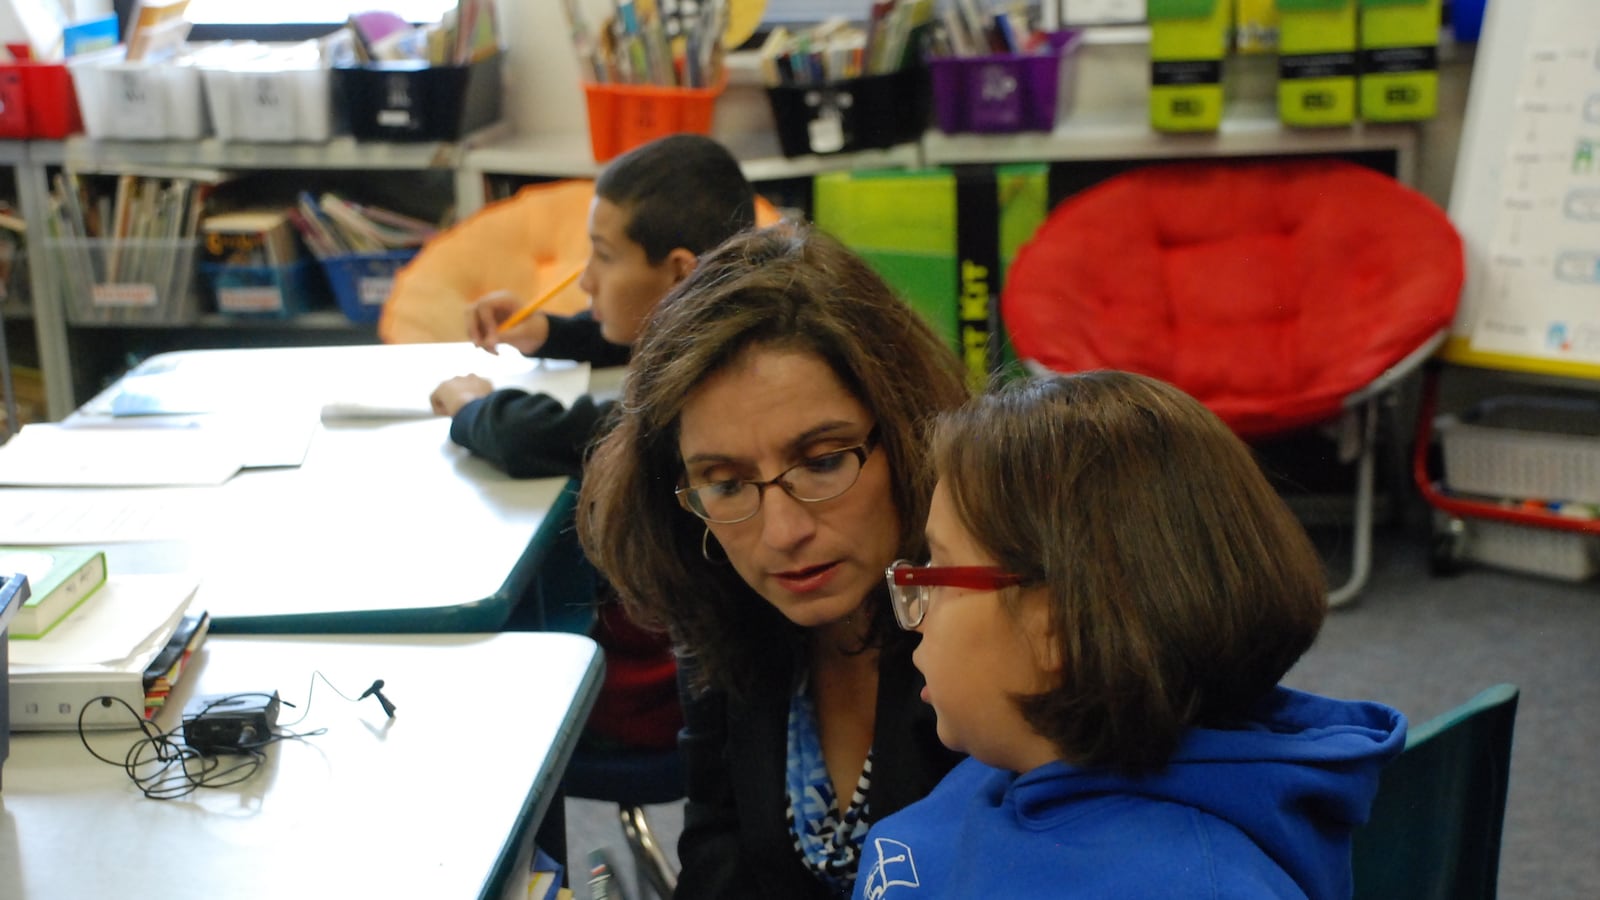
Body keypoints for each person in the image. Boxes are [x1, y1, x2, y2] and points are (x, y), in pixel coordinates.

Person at [853, 370, 1408, 900]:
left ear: (1058, 627)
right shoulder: (1009, 764)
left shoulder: (1196, 885)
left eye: (940, 572)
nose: (915, 616)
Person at [577, 224, 972, 899]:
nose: (783, 532)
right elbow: (716, 851)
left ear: (909, 435)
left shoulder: (995, 620)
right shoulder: (718, 602)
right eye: (727, 484)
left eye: (823, 462)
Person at [428, 132, 758, 479]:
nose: (586, 281)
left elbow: (543, 437)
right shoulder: (731, 316)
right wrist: (547, 332)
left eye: (604, 255)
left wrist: (471, 404)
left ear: (679, 273)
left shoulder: (714, 390)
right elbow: (629, 338)